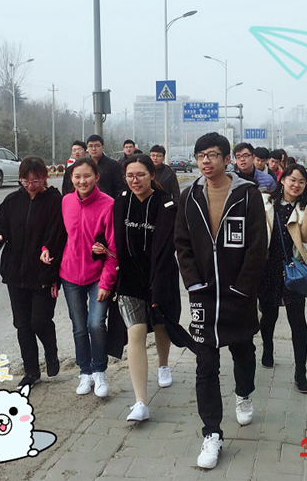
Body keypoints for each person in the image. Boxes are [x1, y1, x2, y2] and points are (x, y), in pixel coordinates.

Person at [175, 132, 267, 470]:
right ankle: (212, 432)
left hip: (237, 293)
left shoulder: (247, 195)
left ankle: (244, 393)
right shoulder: (189, 196)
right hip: (203, 295)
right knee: (205, 364)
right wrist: (193, 283)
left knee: (243, 351)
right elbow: (182, 244)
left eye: (212, 154)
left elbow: (258, 246)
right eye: (201, 155)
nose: (205, 161)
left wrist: (243, 288)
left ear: (227, 159)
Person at [0, 157, 66, 389]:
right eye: (25, 181)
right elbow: (0, 224)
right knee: (22, 325)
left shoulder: (55, 201)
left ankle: (51, 353)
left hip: (43, 273)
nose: (30, 185)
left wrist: (50, 260)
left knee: (39, 321)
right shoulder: (13, 200)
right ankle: (31, 371)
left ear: (45, 177)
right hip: (15, 274)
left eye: (35, 181)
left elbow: (58, 234)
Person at [114, 155, 180, 422]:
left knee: (161, 325)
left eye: (140, 174)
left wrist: (160, 282)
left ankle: (163, 364)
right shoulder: (121, 202)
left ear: (152, 175)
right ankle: (140, 401)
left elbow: (170, 247)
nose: (135, 180)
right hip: (129, 279)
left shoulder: (166, 205)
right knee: (136, 332)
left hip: (160, 276)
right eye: (130, 175)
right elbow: (113, 236)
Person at [259, 165, 307, 393]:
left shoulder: (304, 208)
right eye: (292, 180)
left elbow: (306, 238)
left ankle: (300, 372)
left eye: (302, 182)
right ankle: (268, 348)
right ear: (283, 180)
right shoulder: (265, 202)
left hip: (293, 271)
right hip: (267, 269)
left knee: (297, 321)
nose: (296, 185)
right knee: (268, 315)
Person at [58, 158, 118, 396]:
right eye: (77, 176)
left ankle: (99, 371)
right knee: (79, 327)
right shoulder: (66, 201)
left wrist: (107, 282)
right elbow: (58, 235)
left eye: (87, 176)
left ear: (96, 177)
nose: (82, 181)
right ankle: (84, 372)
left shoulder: (108, 204)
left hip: (98, 276)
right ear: (71, 178)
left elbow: (113, 248)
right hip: (70, 275)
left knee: (96, 324)